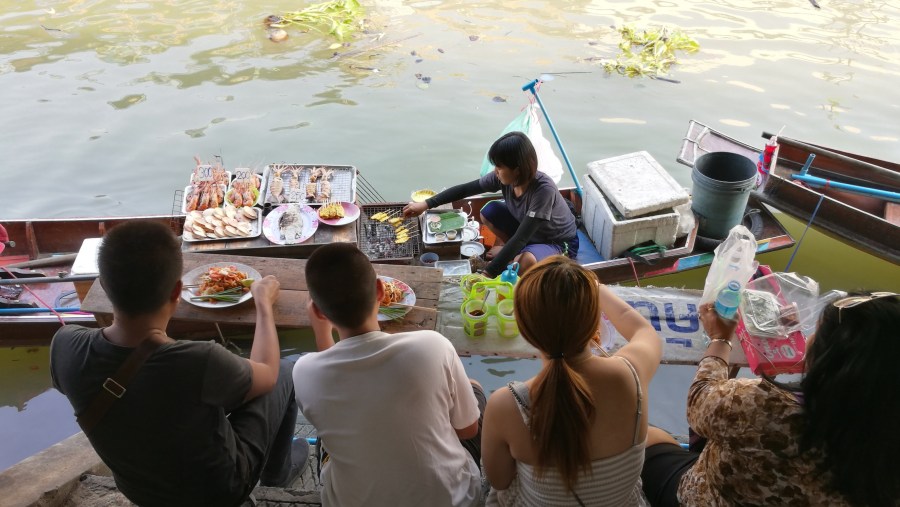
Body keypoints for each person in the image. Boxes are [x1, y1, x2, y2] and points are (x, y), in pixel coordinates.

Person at [50, 220, 307, 507]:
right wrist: (263, 305)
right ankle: (277, 473)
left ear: (105, 287)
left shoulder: (65, 345)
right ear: (176, 292)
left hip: (139, 488)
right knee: (284, 372)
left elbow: (134, 390)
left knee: (192, 394)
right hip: (219, 492)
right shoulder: (198, 360)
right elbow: (268, 374)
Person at [641, 292, 900, 507]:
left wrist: (720, 340)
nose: (809, 338)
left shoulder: (766, 407)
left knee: (649, 437)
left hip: (705, 498)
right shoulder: (883, 439)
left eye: (818, 335)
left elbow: (699, 402)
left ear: (832, 363)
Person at [292, 243, 485, 507]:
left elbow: (332, 376)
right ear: (381, 291)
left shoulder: (303, 372)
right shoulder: (433, 345)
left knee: (327, 442)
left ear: (317, 312)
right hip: (454, 500)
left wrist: (322, 332)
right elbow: (467, 430)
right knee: (474, 389)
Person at [482, 256, 662, 506]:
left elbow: (499, 480)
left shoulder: (506, 406)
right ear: (594, 325)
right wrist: (593, 288)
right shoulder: (630, 375)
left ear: (526, 330)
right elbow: (644, 331)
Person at [403, 131, 578, 278]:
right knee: (489, 210)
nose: (495, 171)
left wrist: (488, 272)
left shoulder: (543, 191)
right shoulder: (504, 178)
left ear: (517, 169)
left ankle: (518, 255)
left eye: (499, 167)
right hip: (528, 233)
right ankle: (508, 251)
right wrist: (426, 204)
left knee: (524, 263)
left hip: (558, 242)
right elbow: (465, 189)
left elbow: (521, 238)